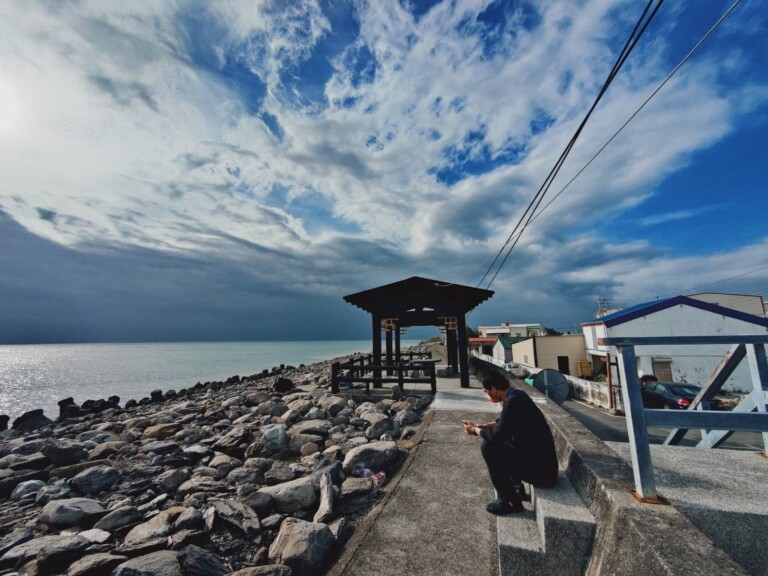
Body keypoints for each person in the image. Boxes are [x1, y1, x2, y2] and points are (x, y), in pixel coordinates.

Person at [464, 371, 558, 515]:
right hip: (544, 467)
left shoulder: (513, 402)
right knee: (504, 443)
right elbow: (502, 423)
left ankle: (509, 502)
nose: (487, 396)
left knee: (489, 447)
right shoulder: (518, 395)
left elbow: (496, 436)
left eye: (487, 392)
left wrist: (475, 430)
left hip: (541, 473)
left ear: (494, 389)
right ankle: (516, 489)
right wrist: (481, 426)